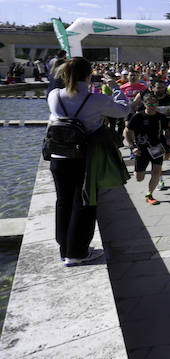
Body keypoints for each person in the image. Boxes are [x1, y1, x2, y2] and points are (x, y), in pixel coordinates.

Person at [47, 57, 130, 265]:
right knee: (84, 201)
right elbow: (123, 110)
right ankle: (76, 253)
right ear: (88, 76)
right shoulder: (96, 99)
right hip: (85, 157)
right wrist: (114, 87)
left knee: (63, 201)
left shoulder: (54, 95)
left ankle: (65, 248)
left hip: (59, 156)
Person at [125, 90, 170, 205]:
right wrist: (132, 147)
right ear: (144, 104)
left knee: (156, 172)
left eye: (154, 103)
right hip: (141, 150)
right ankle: (137, 171)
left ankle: (149, 194)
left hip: (157, 147)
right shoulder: (137, 117)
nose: (152, 106)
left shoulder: (161, 117)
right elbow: (126, 132)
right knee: (139, 178)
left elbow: (166, 131)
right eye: (149, 104)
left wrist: (168, 139)